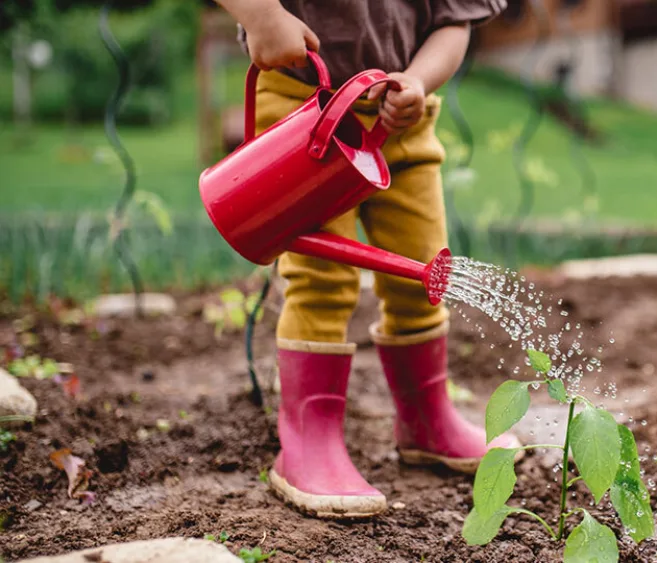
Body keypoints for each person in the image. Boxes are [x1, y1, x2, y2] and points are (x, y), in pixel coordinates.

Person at [213, 0, 522, 520]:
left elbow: (455, 21)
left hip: (402, 120)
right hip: (301, 110)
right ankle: (307, 441)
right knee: (322, 280)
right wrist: (261, 14)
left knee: (424, 272)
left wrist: (419, 81)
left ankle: (427, 419)